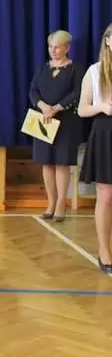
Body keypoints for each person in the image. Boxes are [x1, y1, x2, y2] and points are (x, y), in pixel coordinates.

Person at [28, 30, 83, 221]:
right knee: (47, 162)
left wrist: (57, 108)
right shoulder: (43, 68)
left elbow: (77, 93)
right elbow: (33, 91)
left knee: (61, 163)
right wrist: (43, 107)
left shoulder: (75, 68)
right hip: (44, 121)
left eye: (57, 47)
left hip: (66, 122)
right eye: (51, 47)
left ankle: (61, 202)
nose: (53, 50)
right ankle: (50, 202)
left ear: (67, 48)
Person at [78, 23, 112, 274]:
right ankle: (104, 251)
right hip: (105, 132)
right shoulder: (94, 71)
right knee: (106, 195)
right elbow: (82, 109)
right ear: (107, 41)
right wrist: (102, 107)